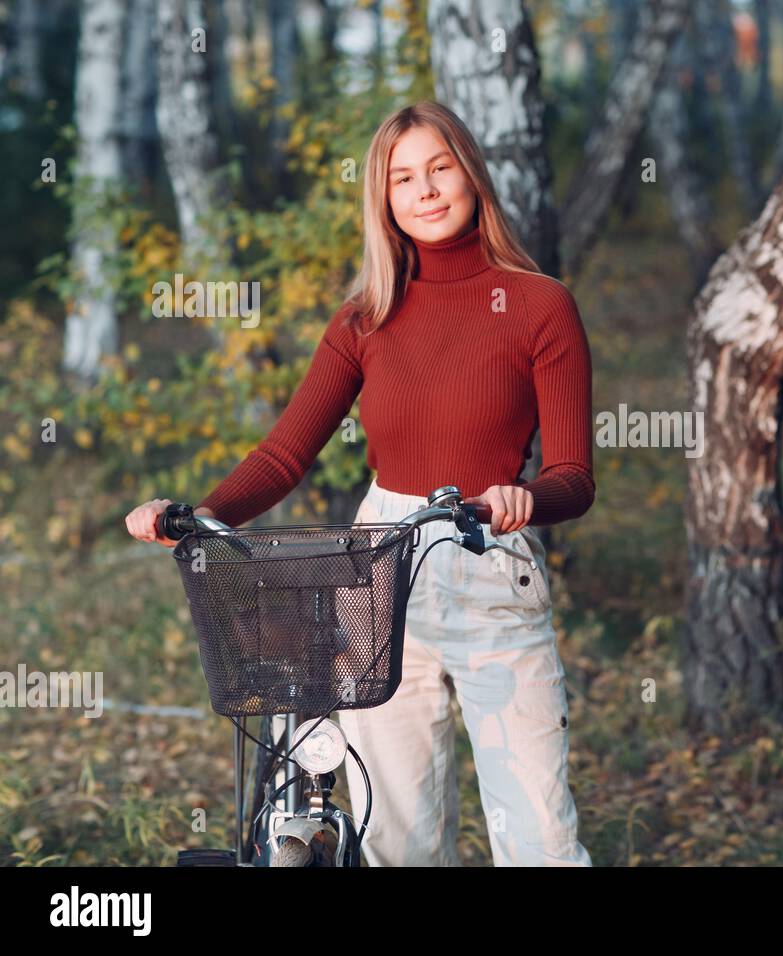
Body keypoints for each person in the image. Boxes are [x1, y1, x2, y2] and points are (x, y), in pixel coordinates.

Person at [124, 101, 596, 867]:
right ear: (383, 199)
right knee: (397, 841)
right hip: (379, 577)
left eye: (441, 168)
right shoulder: (365, 319)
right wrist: (197, 515)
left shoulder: (541, 305)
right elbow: (285, 455)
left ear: (472, 174)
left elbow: (575, 476)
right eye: (402, 177)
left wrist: (527, 498)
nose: (427, 190)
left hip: (489, 565)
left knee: (540, 838)